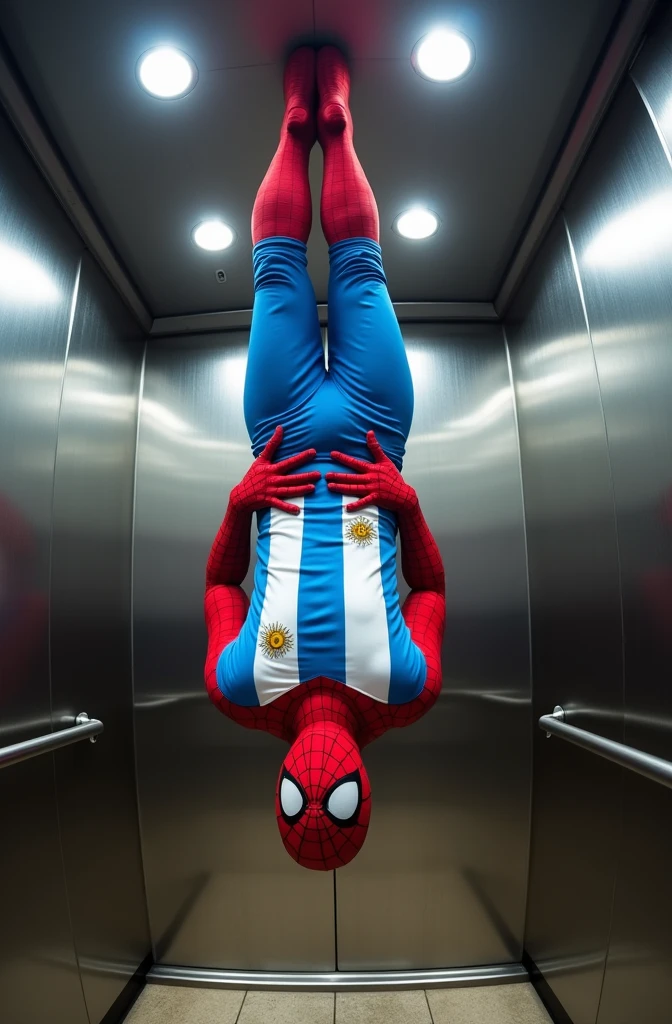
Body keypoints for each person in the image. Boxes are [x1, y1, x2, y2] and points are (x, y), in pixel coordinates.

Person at [204, 46, 445, 871]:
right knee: (359, 268)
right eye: (337, 811)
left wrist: (239, 504)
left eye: (301, 808)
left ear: (278, 790)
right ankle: (334, 125)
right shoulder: (407, 693)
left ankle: (292, 124)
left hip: (279, 434)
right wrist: (405, 504)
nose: (319, 793)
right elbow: (433, 588)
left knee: (274, 272)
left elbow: (217, 585)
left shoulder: (240, 691)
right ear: (365, 798)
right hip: (378, 431)